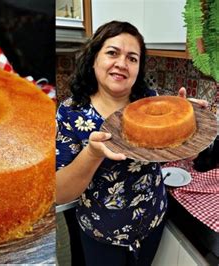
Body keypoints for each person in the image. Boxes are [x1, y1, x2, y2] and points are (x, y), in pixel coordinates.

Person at [55, 21, 208, 266]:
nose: (122, 64)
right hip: (103, 236)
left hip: (152, 223)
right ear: (94, 58)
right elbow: (60, 193)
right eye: (112, 53)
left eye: (132, 58)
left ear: (138, 68)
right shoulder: (71, 113)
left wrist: (184, 120)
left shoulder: (150, 99)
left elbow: (173, 154)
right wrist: (92, 154)